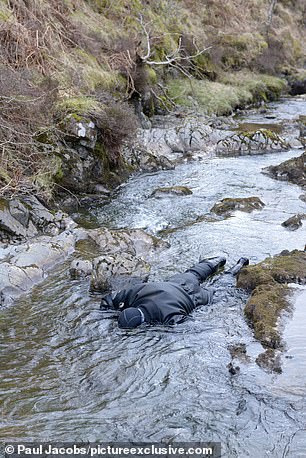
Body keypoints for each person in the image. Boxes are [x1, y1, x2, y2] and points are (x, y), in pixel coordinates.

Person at [100, 256, 249, 328]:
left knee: (220, 286)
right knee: (195, 272)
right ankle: (218, 260)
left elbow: (188, 326)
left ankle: (239, 265)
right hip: (177, 282)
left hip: (194, 298)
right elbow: (108, 300)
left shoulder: (167, 316)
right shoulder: (135, 293)